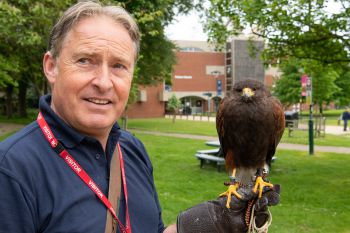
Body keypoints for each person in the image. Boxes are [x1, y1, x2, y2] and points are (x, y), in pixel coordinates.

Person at [0, 2, 278, 233]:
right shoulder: (10, 171)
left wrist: (201, 225)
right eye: (85, 60)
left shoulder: (131, 150)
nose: (104, 82)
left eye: (119, 66)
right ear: (51, 67)